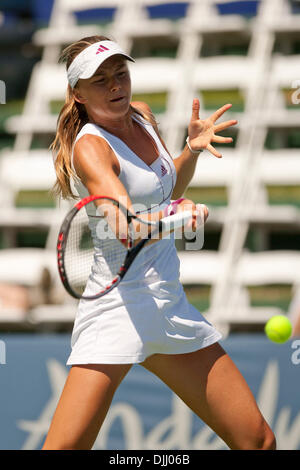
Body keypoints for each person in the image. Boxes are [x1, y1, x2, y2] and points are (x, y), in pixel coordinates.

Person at [42, 35, 276, 450]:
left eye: (120, 73)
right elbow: (125, 225)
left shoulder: (144, 117)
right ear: (78, 94)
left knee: (257, 441)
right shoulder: (92, 149)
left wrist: (190, 150)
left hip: (167, 303)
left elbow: (165, 189)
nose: (116, 85)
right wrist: (178, 218)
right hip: (117, 307)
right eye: (100, 81)